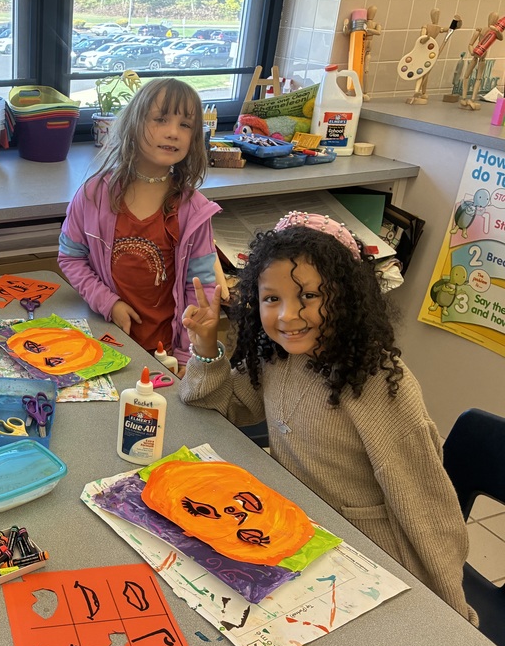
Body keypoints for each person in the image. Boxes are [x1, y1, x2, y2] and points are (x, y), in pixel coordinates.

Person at [179, 212, 476, 624]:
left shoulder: (380, 386)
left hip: (369, 557)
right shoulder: (277, 354)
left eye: (309, 297)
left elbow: (425, 510)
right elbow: (224, 406)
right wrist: (208, 349)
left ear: (347, 294)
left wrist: (450, 615)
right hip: (296, 533)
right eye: (272, 299)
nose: (287, 316)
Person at [58, 77, 220, 369]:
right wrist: (108, 303)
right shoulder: (93, 195)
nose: (173, 132)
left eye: (185, 125)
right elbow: (71, 258)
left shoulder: (194, 210)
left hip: (166, 353)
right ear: (133, 124)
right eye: (160, 119)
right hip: (105, 341)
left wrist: (185, 357)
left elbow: (201, 290)